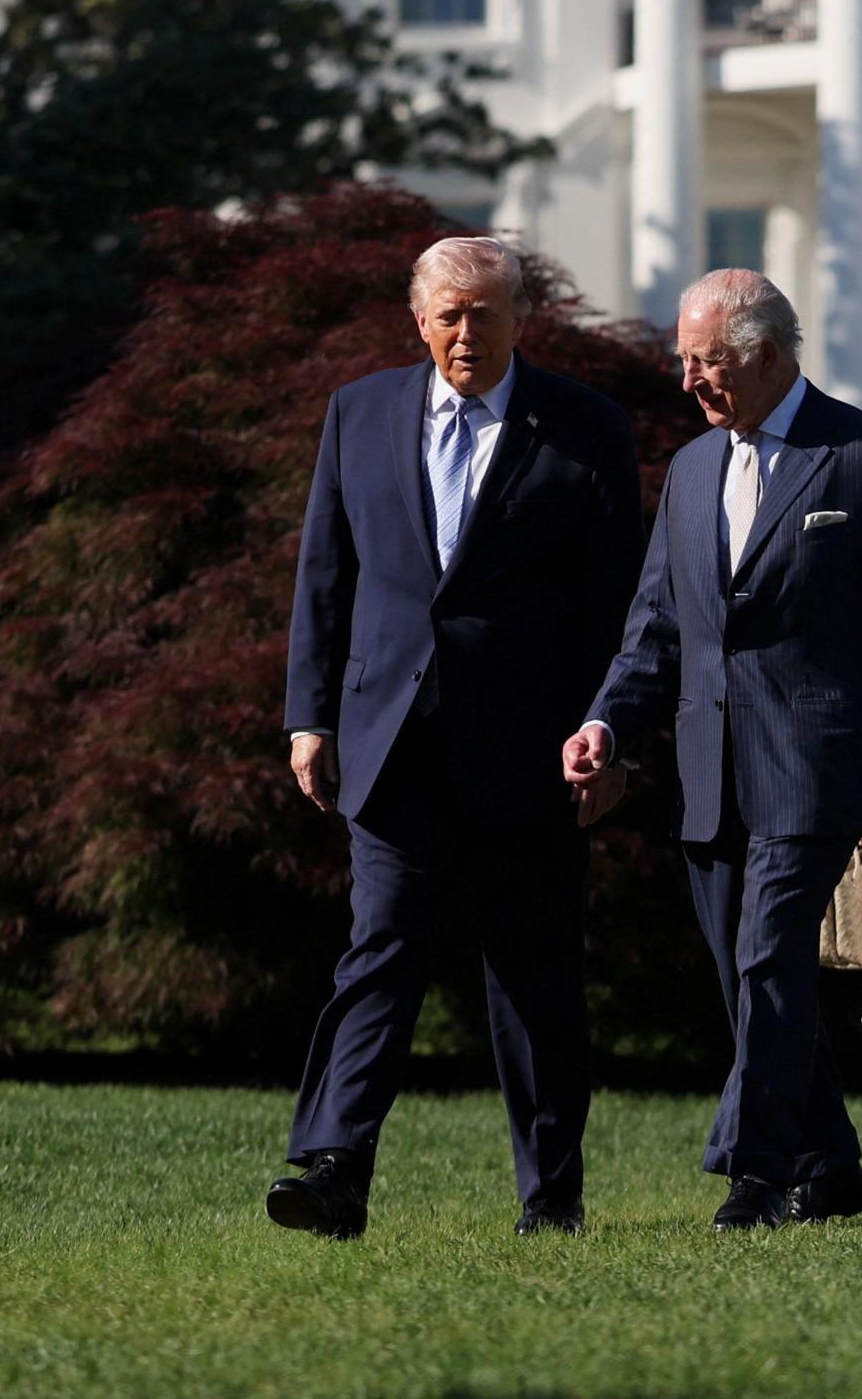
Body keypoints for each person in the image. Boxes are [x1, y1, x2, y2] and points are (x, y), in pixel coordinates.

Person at [565, 269, 862, 1231]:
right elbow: (657, 627)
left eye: (707, 363)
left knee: (771, 957)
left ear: (766, 354)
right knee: (745, 978)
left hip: (818, 760)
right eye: (682, 361)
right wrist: (607, 722)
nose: (689, 381)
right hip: (707, 764)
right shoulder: (691, 472)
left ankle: (757, 1173)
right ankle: (833, 1165)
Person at [273, 234, 647, 1240]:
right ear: (419, 320)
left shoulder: (585, 426)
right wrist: (310, 714)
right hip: (390, 738)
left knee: (533, 970)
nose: (465, 331)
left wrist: (612, 727)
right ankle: (332, 1166)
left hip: (533, 749)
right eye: (448, 313)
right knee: (380, 949)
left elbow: (620, 604)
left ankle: (551, 1194)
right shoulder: (360, 412)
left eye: (485, 312)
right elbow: (325, 573)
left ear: (521, 318)